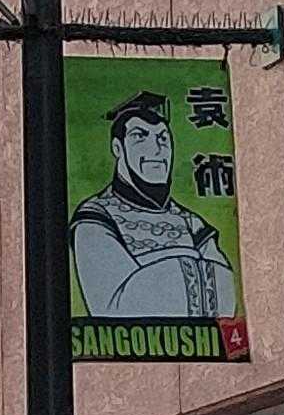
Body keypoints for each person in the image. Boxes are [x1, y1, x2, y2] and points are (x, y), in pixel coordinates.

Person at [70, 91, 236, 318]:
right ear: (118, 148)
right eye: (140, 136)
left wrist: (152, 276)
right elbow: (116, 306)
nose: (157, 149)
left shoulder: (191, 222)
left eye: (163, 138)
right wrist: (195, 270)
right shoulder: (96, 218)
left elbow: (227, 296)